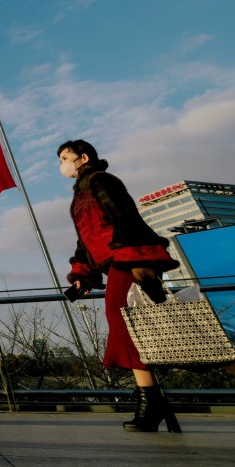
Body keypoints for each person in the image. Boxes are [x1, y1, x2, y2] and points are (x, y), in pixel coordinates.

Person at [58, 139, 180, 432]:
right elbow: (85, 240)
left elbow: (126, 218)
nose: (61, 164)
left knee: (127, 323)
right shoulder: (81, 195)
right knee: (146, 329)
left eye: (65, 157)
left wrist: (138, 262)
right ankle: (152, 401)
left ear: (83, 157)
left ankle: (152, 402)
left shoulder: (102, 181)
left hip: (130, 261)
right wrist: (81, 275)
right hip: (117, 264)